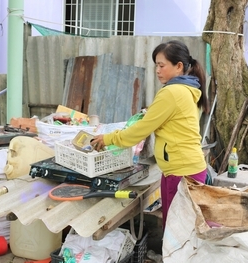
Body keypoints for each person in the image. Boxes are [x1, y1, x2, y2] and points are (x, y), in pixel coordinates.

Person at [90, 40, 210, 230]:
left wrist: (108, 138)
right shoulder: (190, 89)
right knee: (184, 227)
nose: (157, 70)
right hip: (187, 167)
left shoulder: (172, 92)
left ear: (179, 66)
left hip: (181, 171)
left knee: (176, 230)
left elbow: (139, 131)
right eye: (156, 65)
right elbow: (175, 122)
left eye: (162, 65)